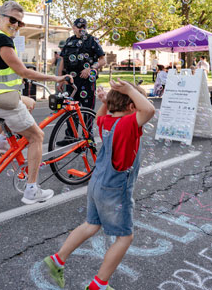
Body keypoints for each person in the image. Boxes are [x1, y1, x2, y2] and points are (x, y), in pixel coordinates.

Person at [43, 79, 155, 290]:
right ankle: (99, 285)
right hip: (115, 188)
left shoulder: (106, 122)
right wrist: (130, 89)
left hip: (97, 183)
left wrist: (105, 101)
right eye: (137, 103)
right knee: (125, 237)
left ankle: (58, 259)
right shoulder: (127, 124)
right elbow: (149, 110)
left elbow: (101, 116)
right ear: (132, 107)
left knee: (91, 225)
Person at [0, 0, 72, 204]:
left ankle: (0, 142)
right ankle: (32, 190)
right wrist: (56, 78)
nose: (16, 25)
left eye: (20, 23)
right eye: (12, 20)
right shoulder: (2, 40)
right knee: (37, 137)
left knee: (29, 103)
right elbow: (23, 71)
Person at [56, 18, 106, 146]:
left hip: (87, 80)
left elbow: (102, 60)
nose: (81, 29)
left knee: (87, 110)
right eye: (78, 26)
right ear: (73, 27)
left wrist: (91, 68)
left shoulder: (92, 40)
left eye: (84, 26)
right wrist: (60, 79)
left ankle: (88, 137)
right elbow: (62, 61)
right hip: (71, 80)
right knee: (71, 109)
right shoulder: (69, 41)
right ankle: (70, 137)